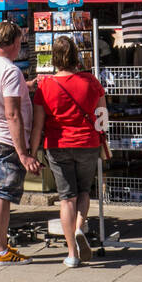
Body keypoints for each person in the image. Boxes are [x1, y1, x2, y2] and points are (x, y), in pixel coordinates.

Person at [29, 35, 105, 268]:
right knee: (84, 192)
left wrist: (31, 153)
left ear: (54, 58)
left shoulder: (46, 85)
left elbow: (38, 125)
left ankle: (72, 253)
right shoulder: (91, 81)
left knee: (66, 199)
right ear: (76, 56)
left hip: (58, 145)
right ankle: (80, 227)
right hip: (87, 143)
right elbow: (102, 117)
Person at [0, 19, 40, 265]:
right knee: (2, 195)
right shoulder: (10, 71)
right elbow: (12, 114)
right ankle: (1, 249)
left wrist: (27, 85)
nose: (20, 46)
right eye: (20, 42)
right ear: (14, 42)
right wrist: (23, 153)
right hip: (6, 140)